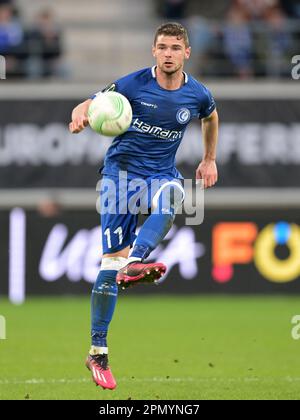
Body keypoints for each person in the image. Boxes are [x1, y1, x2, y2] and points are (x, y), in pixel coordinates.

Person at [69, 22, 219, 390]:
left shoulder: (197, 94)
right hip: (119, 176)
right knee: (110, 264)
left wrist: (209, 158)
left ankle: (136, 262)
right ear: (154, 51)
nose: (168, 54)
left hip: (160, 175)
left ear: (187, 53)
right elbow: (89, 101)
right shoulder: (133, 84)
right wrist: (80, 113)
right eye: (162, 47)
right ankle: (97, 352)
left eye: (175, 48)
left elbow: (211, 117)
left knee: (174, 196)